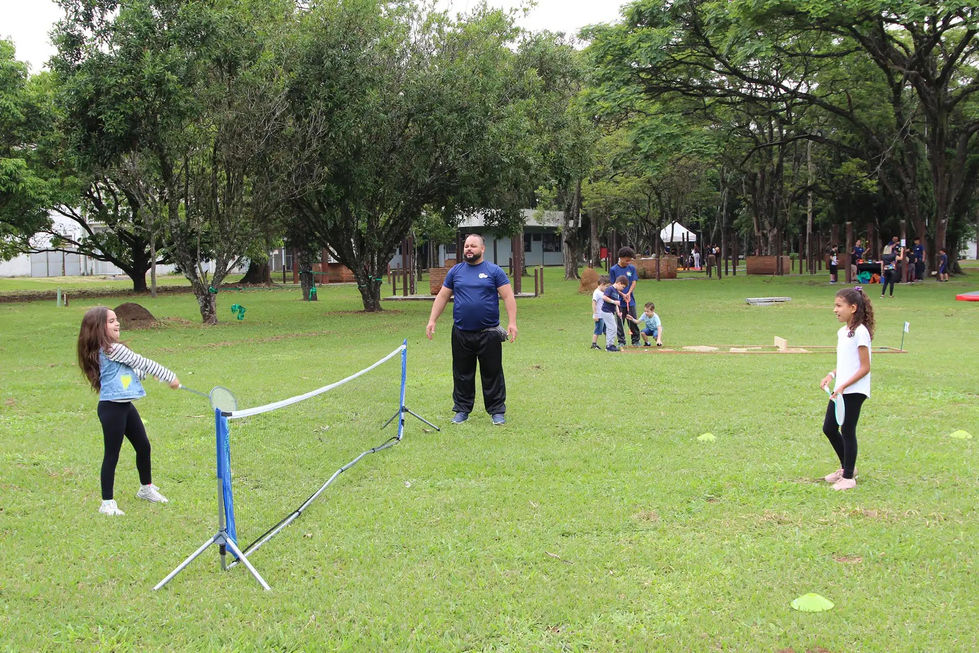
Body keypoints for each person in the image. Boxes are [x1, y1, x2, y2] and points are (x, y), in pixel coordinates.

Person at [77, 306, 180, 516]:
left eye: (116, 319)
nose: (117, 323)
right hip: (112, 409)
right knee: (112, 454)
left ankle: (146, 489)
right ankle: (107, 503)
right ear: (98, 327)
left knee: (143, 446)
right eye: (111, 321)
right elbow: (141, 361)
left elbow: (127, 373)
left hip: (124, 406)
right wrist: (169, 376)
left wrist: (146, 373)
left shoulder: (109, 350)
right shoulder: (113, 349)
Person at [426, 234, 518, 426]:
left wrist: (512, 322)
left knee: (492, 373)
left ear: (482, 249)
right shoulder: (455, 271)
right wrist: (432, 320)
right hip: (461, 332)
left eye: (473, 246)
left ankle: (497, 411)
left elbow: (508, 296)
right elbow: (442, 296)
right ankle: (462, 410)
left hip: (489, 333)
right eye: (466, 246)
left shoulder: (494, 271)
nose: (469, 248)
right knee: (462, 373)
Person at [819, 287, 874, 491]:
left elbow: (865, 367)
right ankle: (847, 468)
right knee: (829, 428)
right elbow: (846, 363)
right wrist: (832, 375)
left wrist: (843, 385)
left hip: (854, 390)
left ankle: (849, 477)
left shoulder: (861, 332)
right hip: (841, 389)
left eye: (839, 305)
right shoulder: (843, 332)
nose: (835, 310)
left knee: (847, 430)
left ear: (853, 308)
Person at [609, 246, 640, 347]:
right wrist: (622, 294)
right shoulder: (613, 269)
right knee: (620, 321)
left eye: (630, 260)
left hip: (630, 300)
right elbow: (613, 285)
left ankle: (636, 340)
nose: (628, 262)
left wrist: (628, 293)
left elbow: (634, 281)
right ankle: (621, 341)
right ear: (621, 258)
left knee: (633, 319)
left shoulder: (631, 268)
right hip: (618, 301)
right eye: (627, 260)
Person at [600, 276, 628, 351]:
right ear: (619, 283)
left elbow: (616, 304)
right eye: (623, 287)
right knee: (613, 328)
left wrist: (618, 312)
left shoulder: (616, 291)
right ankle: (609, 346)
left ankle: (610, 344)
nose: (622, 289)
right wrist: (614, 301)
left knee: (612, 328)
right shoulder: (610, 289)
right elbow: (604, 297)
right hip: (606, 311)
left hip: (611, 312)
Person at [590, 276, 611, 350]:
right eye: (606, 286)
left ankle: (609, 344)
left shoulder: (602, 292)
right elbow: (594, 303)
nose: (607, 288)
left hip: (604, 315)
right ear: (602, 284)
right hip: (599, 316)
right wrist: (595, 314)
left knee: (607, 330)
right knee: (598, 330)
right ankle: (594, 344)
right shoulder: (597, 292)